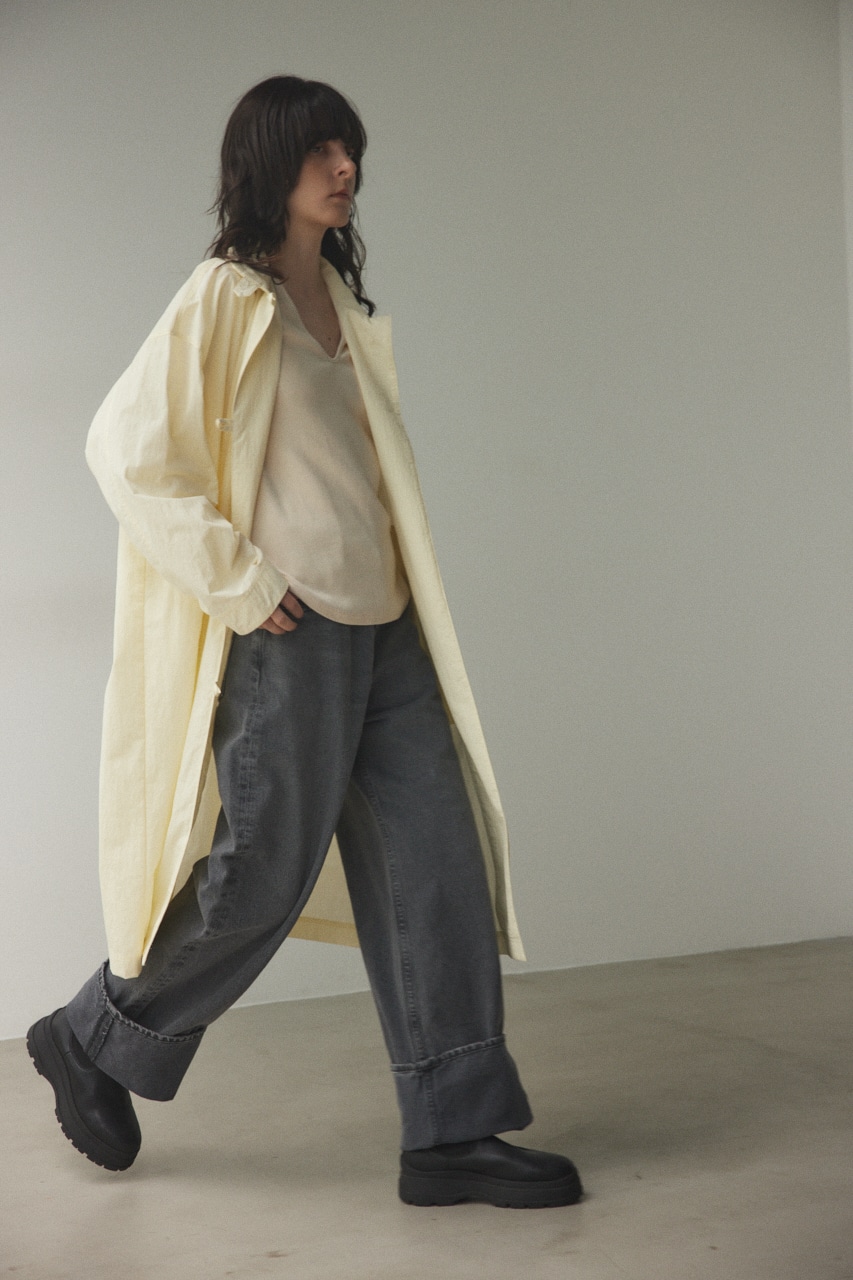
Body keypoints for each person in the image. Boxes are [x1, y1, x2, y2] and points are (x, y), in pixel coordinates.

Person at [26, 75, 582, 1210]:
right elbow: (123, 449)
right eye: (322, 148)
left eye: (350, 148)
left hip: (386, 630)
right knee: (260, 874)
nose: (345, 167)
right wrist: (240, 581)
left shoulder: (337, 297)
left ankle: (451, 1131)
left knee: (435, 866)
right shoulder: (226, 296)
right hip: (294, 634)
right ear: (268, 164)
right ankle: (95, 1033)